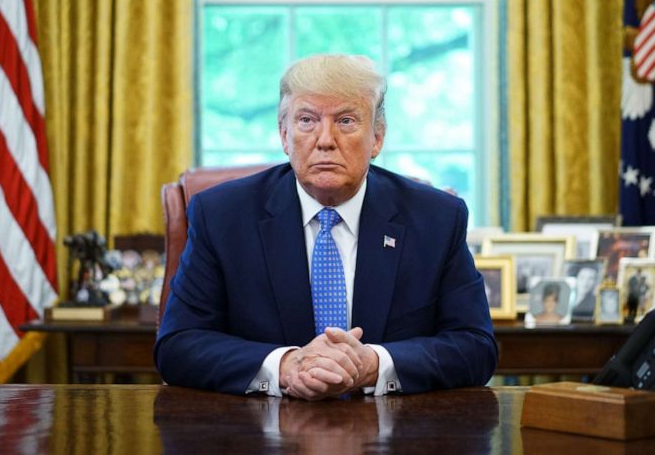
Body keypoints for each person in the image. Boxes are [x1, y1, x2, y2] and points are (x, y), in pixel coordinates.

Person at [154, 54, 498, 399]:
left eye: (346, 121)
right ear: (284, 135)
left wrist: (375, 365)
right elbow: (178, 345)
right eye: (307, 120)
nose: (325, 140)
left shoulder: (436, 218)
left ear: (377, 138)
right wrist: (286, 366)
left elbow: (475, 347)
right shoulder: (222, 215)